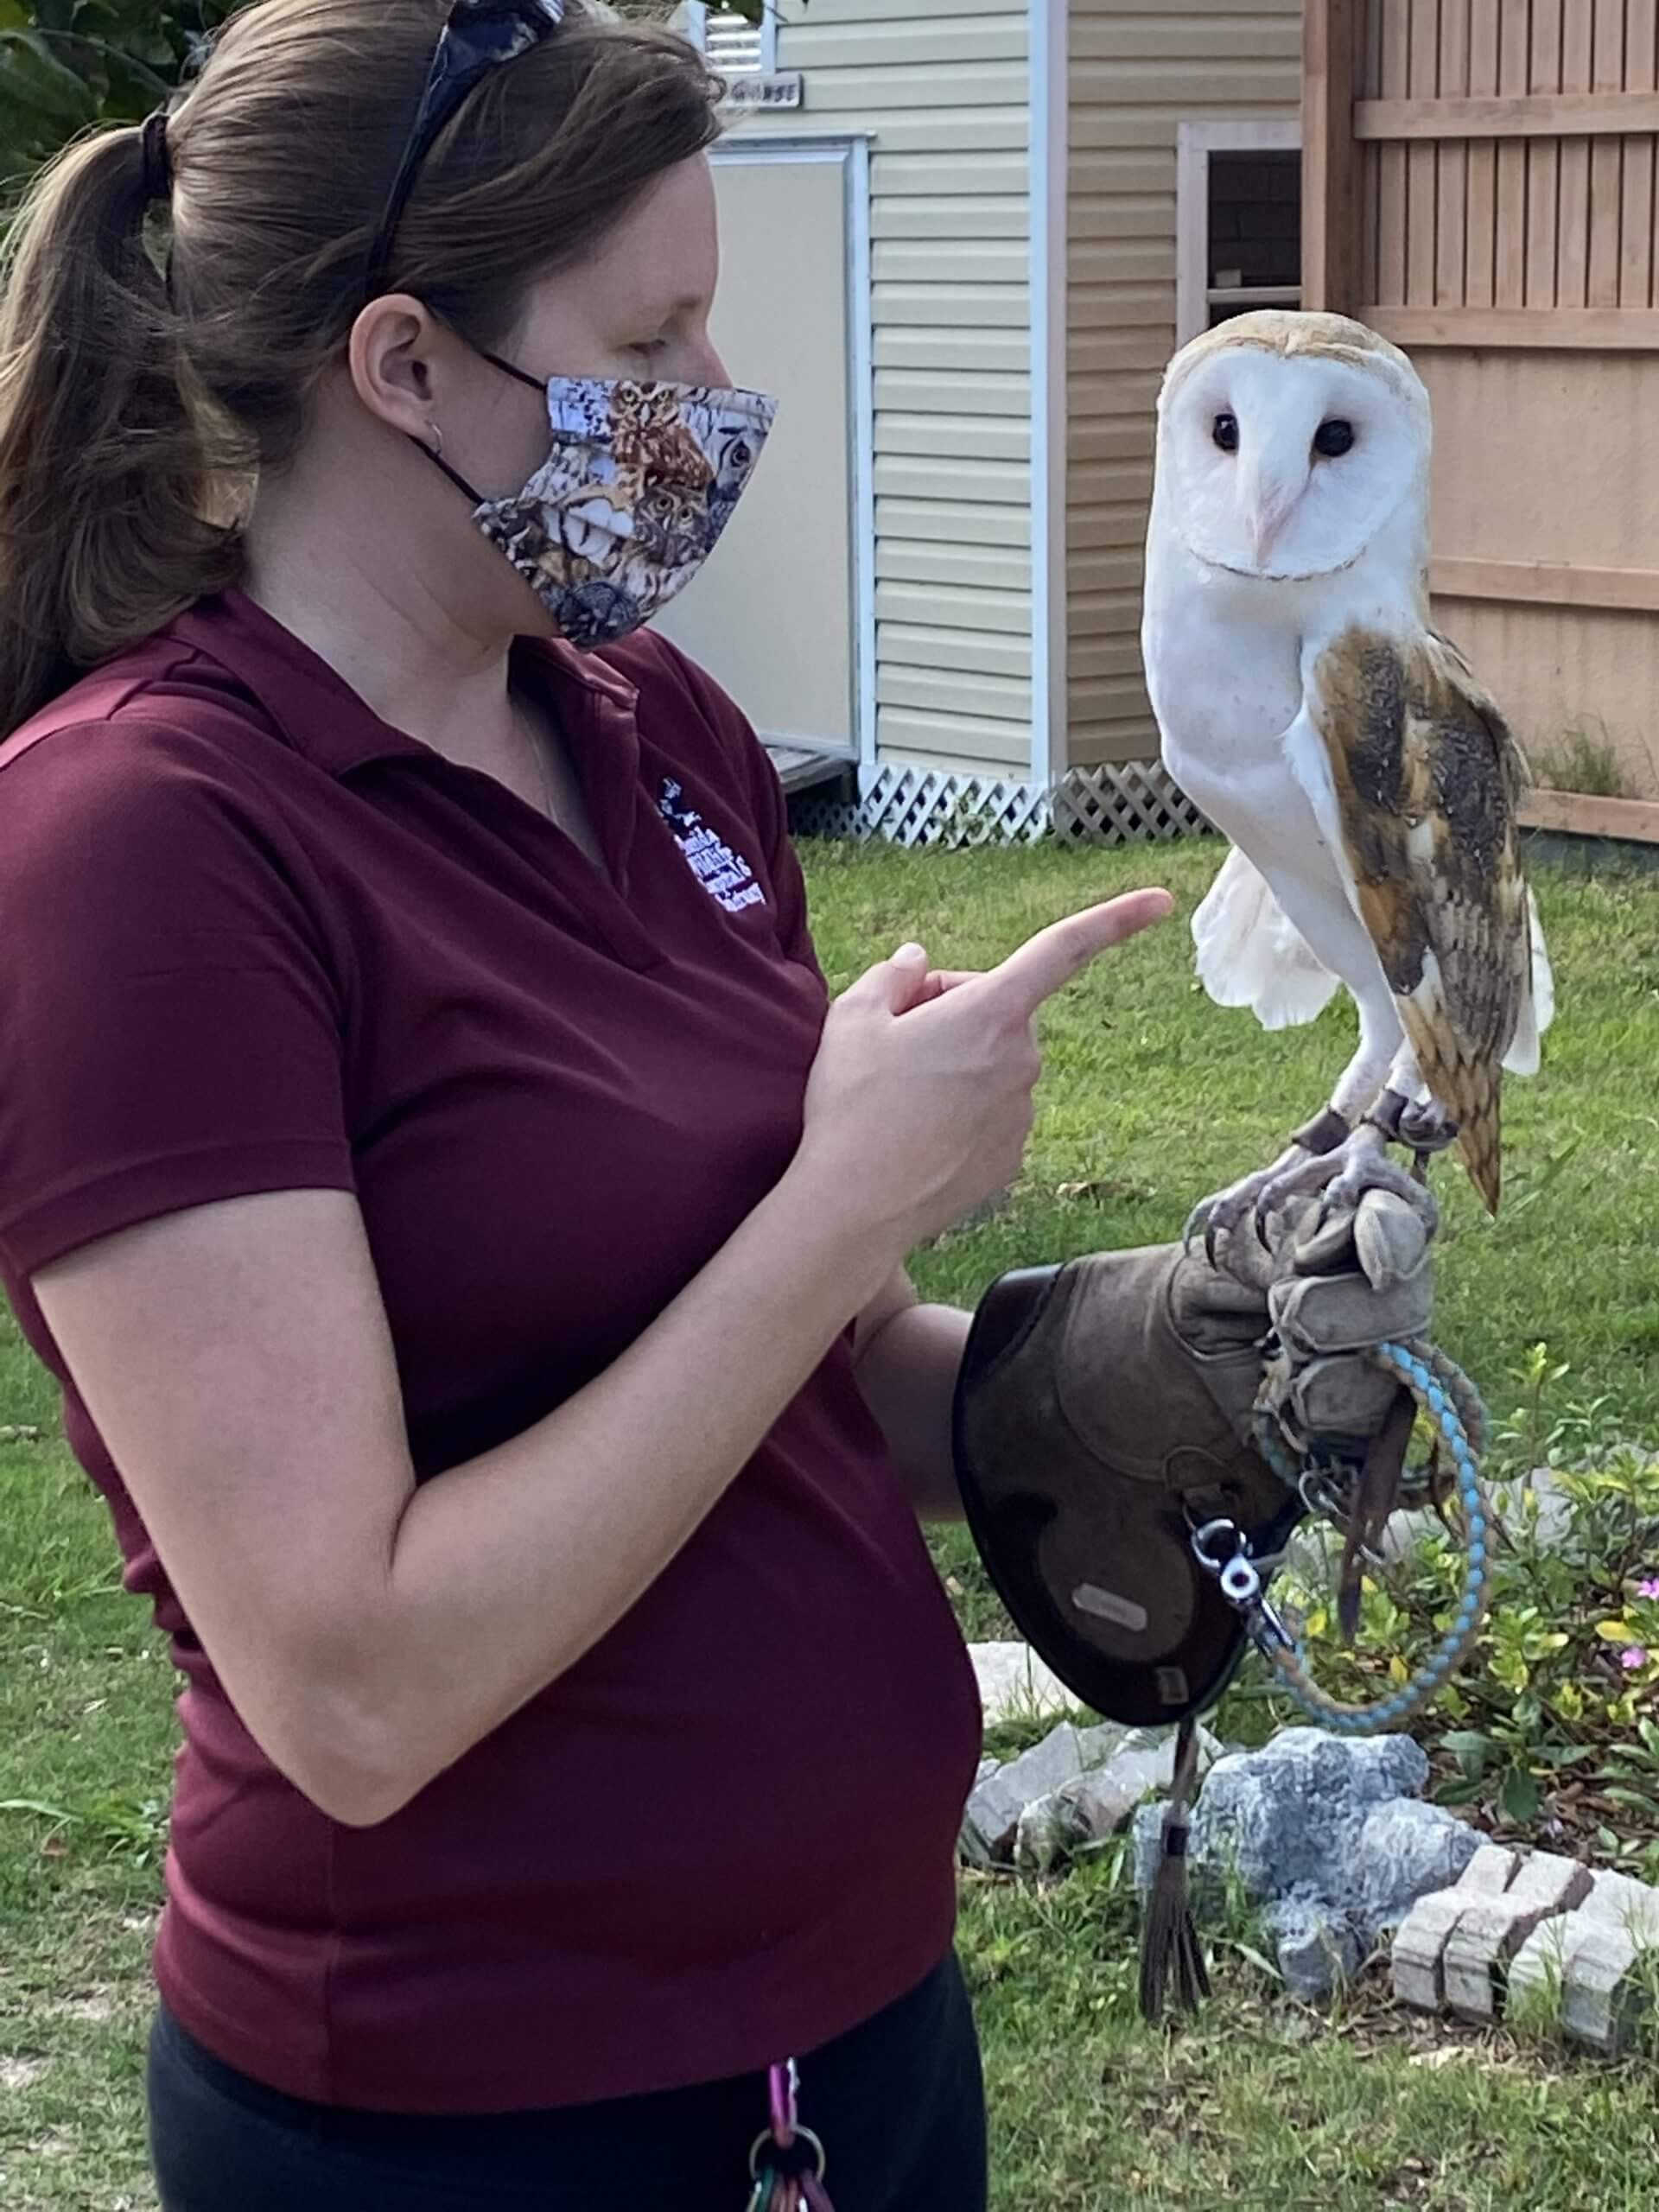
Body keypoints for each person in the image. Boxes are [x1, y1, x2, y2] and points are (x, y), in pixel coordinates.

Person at [0, 3, 1433, 2207]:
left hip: (855, 2031)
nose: (714, 394)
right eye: (651, 337)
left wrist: (1175, 1345)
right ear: (403, 365)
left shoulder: (649, 721)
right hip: (463, 2114)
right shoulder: (135, 846)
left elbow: (807, 1384)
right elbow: (353, 1683)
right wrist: (844, 1194)